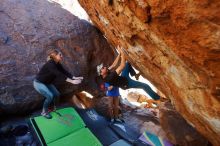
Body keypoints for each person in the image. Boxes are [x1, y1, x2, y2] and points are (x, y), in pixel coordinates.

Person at [33, 48, 83, 119]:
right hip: (38, 83)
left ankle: (54, 108)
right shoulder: (50, 64)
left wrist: (74, 77)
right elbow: (59, 74)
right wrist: (72, 81)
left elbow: (64, 71)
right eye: (60, 54)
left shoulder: (57, 63)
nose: (61, 56)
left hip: (47, 83)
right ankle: (43, 112)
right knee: (50, 95)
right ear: (55, 56)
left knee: (57, 94)